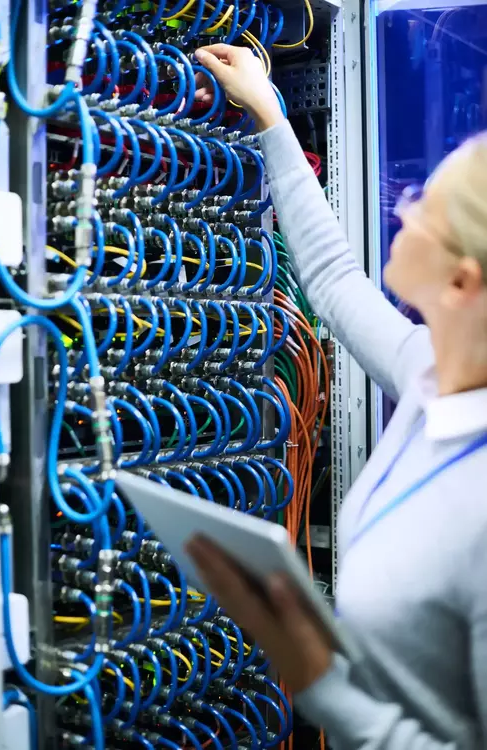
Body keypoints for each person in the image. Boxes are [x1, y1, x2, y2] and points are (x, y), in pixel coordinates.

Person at [186, 44, 487, 749]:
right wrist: (267, 111)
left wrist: (319, 681)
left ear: (462, 283)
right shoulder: (427, 372)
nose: (400, 208)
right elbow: (333, 278)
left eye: (422, 206)